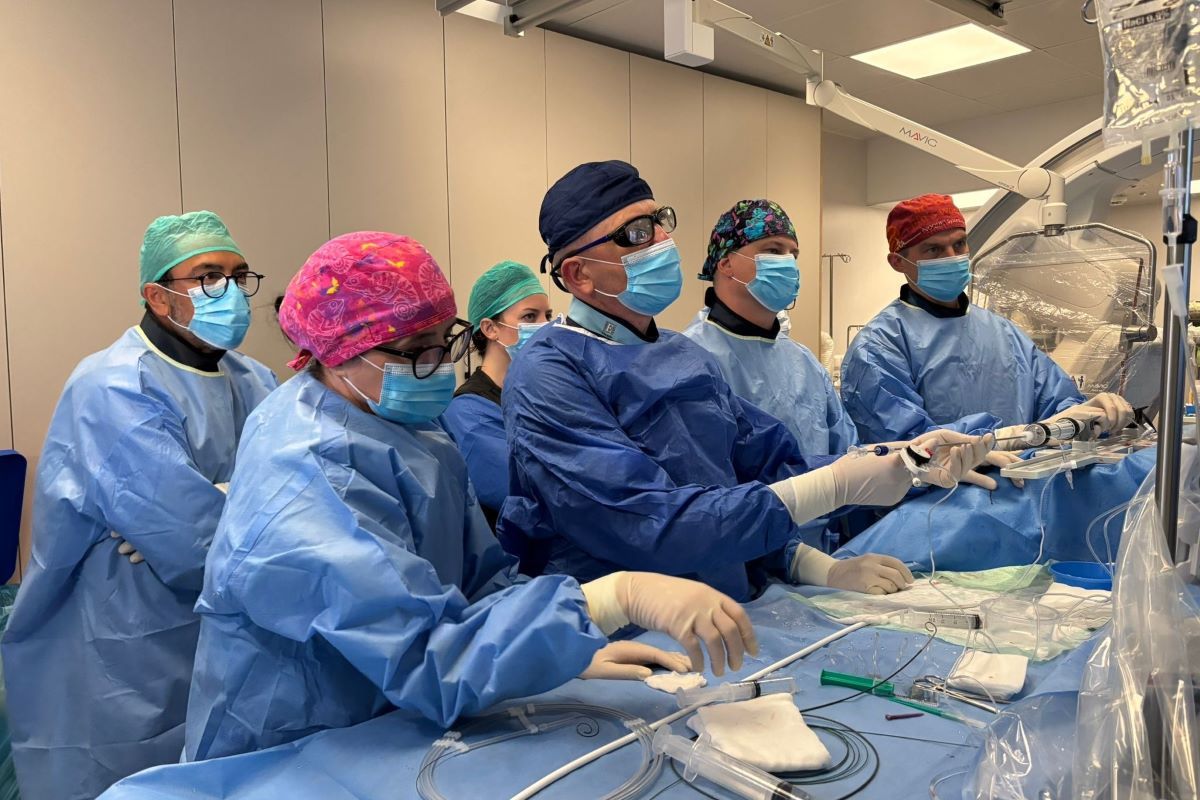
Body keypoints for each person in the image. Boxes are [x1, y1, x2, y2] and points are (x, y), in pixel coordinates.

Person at [183, 232, 758, 763]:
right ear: (336, 353)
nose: (435, 367)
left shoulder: (409, 428)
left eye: (442, 340)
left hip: (399, 718)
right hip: (297, 742)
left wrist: (563, 642)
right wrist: (611, 600)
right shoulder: (307, 472)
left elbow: (479, 580)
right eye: (415, 350)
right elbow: (422, 655)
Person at [498, 160, 992, 603]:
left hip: (729, 607)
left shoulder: (681, 355)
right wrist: (838, 485)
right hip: (618, 640)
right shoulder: (548, 371)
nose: (663, 243)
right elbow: (646, 520)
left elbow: (774, 466)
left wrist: (906, 460)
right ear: (579, 275)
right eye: (636, 234)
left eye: (661, 224)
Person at [1, 211, 277, 800]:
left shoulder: (253, 378)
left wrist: (222, 500)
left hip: (220, 630)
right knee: (123, 780)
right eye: (207, 276)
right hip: (122, 644)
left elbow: (295, 493)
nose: (228, 292)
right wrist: (236, 503)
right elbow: (192, 543)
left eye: (238, 274)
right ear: (157, 296)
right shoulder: (113, 386)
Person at [840, 194, 1134, 461]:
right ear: (898, 262)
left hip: (1020, 485)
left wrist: (1090, 415)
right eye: (933, 249)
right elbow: (903, 447)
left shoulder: (1003, 331)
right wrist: (975, 452)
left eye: (959, 244)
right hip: (937, 504)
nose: (952, 257)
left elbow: (1057, 405)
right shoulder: (879, 346)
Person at [682, 199, 857, 457]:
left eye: (793, 254)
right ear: (726, 262)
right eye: (774, 251)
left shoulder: (804, 362)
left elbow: (848, 456)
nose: (788, 263)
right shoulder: (691, 361)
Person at [443, 260, 551, 527]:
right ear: (490, 328)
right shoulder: (468, 411)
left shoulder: (543, 396)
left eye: (547, 316)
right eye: (529, 317)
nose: (545, 326)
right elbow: (530, 494)